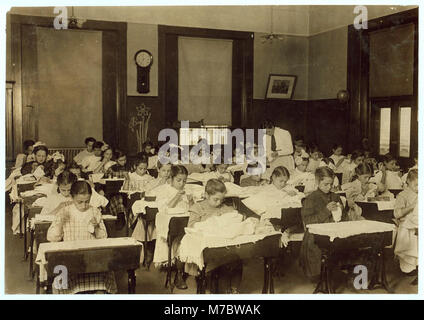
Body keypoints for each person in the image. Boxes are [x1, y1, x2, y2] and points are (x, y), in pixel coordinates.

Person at [47, 181, 116, 294]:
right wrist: (60, 223)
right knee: (62, 274)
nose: (84, 206)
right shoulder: (64, 211)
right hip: (70, 256)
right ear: (72, 197)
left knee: (105, 273)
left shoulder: (95, 211)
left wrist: (97, 227)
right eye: (79, 202)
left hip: (91, 256)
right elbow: (51, 237)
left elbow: (103, 237)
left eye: (87, 201)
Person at [188, 179, 242, 293]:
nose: (219, 203)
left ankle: (234, 289)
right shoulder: (198, 208)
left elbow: (235, 218)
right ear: (207, 195)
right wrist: (212, 219)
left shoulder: (225, 207)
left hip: (223, 244)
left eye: (221, 200)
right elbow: (191, 226)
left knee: (237, 258)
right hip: (207, 246)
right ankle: (221, 287)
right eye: (216, 199)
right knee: (221, 270)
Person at [300, 167, 346, 279]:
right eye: (326, 184)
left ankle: (339, 270)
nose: (329, 187)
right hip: (316, 235)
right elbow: (308, 221)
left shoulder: (335, 196)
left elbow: (343, 217)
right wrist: (326, 211)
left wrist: (341, 210)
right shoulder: (311, 199)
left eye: (331, 184)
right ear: (317, 182)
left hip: (334, 231)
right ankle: (322, 273)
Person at [394, 169, 418, 275]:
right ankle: (409, 266)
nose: (419, 188)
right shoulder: (402, 195)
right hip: (406, 224)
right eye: (416, 185)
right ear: (408, 181)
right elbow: (397, 214)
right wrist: (413, 206)